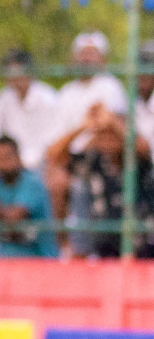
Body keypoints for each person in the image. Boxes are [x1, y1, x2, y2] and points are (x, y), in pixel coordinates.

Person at [46, 105, 154, 259]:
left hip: (144, 242)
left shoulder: (136, 160)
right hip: (105, 243)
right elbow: (54, 155)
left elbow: (143, 148)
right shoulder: (94, 159)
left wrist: (113, 122)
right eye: (102, 136)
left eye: (112, 136)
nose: (107, 142)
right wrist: (84, 126)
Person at [0, 137, 57, 258]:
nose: (3, 164)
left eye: (7, 157)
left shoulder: (32, 182)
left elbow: (15, 217)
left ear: (18, 157)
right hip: (6, 261)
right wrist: (0, 214)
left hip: (40, 260)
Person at [0, 50, 60, 173]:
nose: (15, 78)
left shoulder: (47, 98)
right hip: (10, 165)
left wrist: (23, 162)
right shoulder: (4, 97)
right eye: (10, 73)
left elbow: (53, 139)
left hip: (43, 165)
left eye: (18, 72)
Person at [55, 31, 128, 157]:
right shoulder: (66, 92)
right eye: (83, 53)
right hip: (70, 156)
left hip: (102, 155)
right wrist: (84, 126)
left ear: (103, 59)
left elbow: (113, 129)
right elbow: (58, 137)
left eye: (92, 54)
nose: (86, 58)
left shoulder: (111, 86)